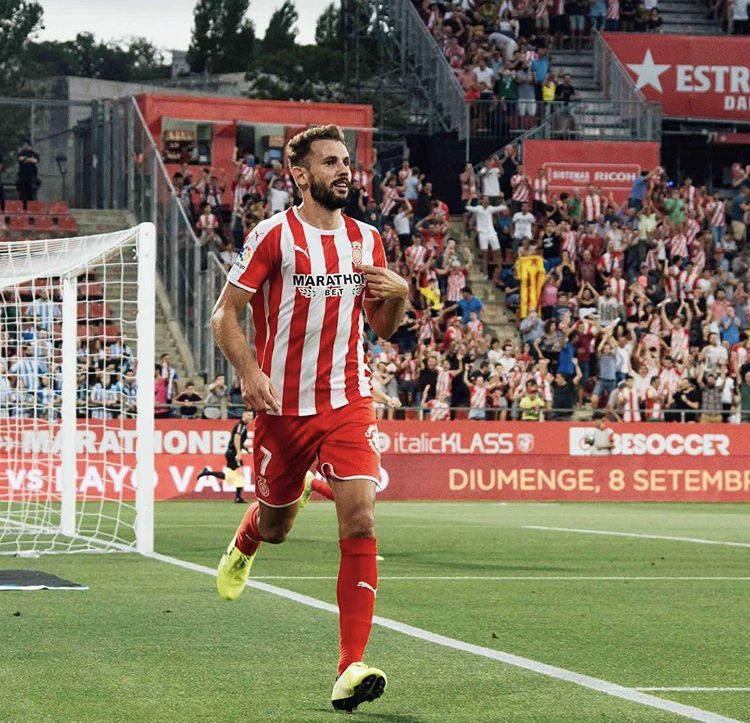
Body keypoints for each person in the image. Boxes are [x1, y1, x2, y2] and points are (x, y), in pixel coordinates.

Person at [211, 125, 407, 712]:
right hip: (281, 408)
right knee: (277, 526)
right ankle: (248, 538)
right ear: (300, 174)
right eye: (330, 162)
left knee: (361, 517)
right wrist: (249, 372)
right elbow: (225, 315)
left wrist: (398, 291)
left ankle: (350, 667)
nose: (344, 171)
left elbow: (385, 327)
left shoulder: (366, 240)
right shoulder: (273, 235)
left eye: (346, 161)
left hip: (347, 399)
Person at [197, 410, 255, 503]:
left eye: (251, 415)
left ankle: (207, 472)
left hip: (231, 453)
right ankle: (238, 497)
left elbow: (238, 441)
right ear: (243, 415)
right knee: (238, 474)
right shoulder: (241, 426)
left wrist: (246, 450)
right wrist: (238, 453)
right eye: (248, 415)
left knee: (230, 477)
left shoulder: (241, 426)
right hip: (233, 453)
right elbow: (237, 438)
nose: (250, 417)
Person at [16, 139, 39, 207]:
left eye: (26, 145)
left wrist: (26, 159)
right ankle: (22, 206)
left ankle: (32, 205)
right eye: (24, 145)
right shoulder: (21, 153)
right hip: (23, 175)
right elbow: (20, 158)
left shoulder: (34, 153)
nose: (25, 146)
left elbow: (35, 161)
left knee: (31, 190)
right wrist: (29, 159)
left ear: (29, 145)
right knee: (23, 192)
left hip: (31, 175)